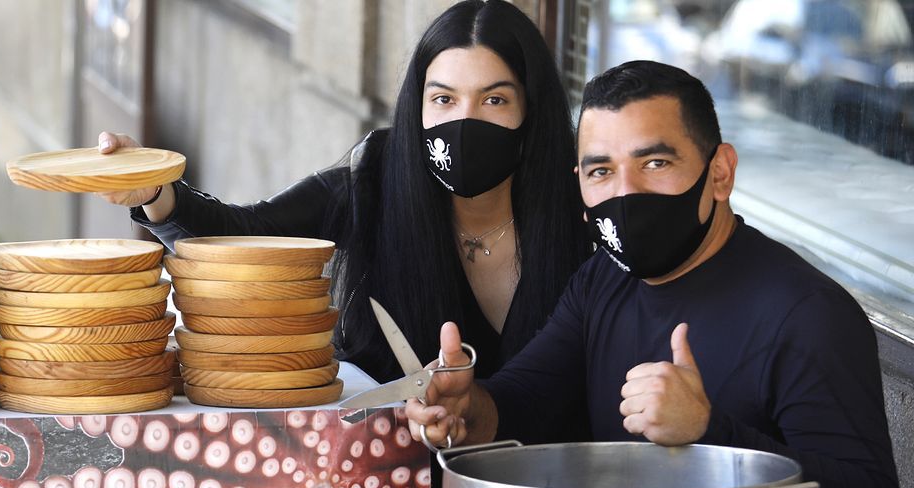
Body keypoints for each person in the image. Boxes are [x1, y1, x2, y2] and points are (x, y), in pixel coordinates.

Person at [408, 60, 900, 488]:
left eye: (656, 163)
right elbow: (524, 396)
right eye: (600, 170)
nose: (625, 193)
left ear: (719, 172)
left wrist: (712, 433)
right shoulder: (603, 283)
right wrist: (467, 409)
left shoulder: (805, 314)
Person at [96, 0, 591, 387]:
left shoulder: (583, 205)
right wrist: (155, 190)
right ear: (415, 108)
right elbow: (247, 235)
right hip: (389, 478)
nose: (465, 120)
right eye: (443, 99)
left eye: (495, 99)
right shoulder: (375, 180)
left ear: (532, 109)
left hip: (541, 486)